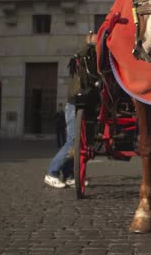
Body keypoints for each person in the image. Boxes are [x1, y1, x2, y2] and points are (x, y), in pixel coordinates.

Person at [44, 33, 95, 188]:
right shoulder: (83, 55)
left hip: (80, 105)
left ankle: (69, 176)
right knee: (73, 141)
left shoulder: (87, 58)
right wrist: (90, 44)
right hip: (74, 105)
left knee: (76, 142)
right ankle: (52, 172)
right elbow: (84, 51)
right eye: (96, 37)